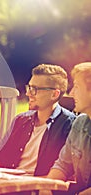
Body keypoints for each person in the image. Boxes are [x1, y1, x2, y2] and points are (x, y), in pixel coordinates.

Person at [0, 64, 76, 176]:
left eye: (35, 89)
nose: (28, 93)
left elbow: (68, 172)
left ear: (54, 94)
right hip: (8, 183)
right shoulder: (20, 120)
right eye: (29, 87)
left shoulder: (70, 126)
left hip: (38, 187)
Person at [47, 62, 91, 194]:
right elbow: (63, 165)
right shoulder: (80, 124)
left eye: (77, 87)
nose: (71, 93)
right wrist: (47, 186)